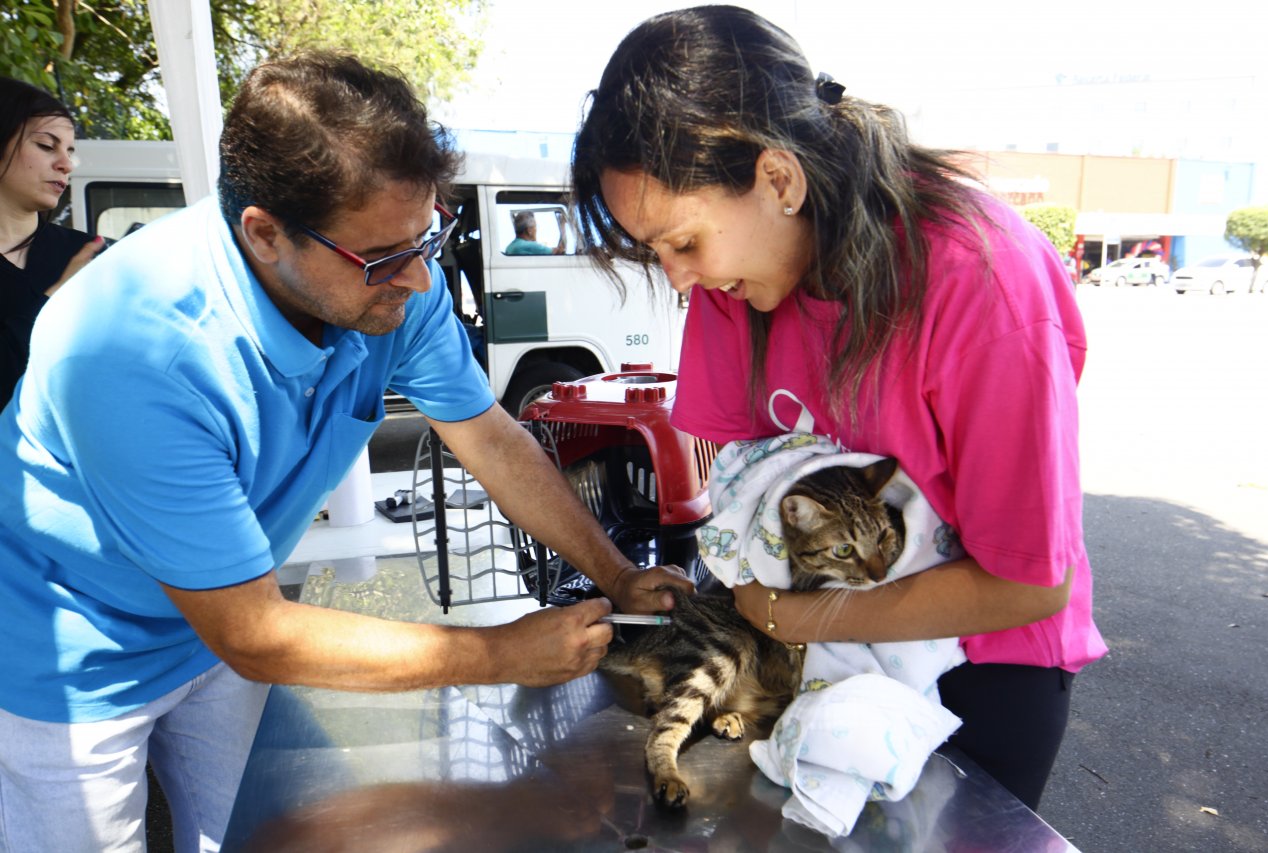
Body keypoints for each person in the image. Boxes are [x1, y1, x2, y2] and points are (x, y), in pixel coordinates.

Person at [0, 53, 690, 852]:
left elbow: (492, 438)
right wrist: (499, 652)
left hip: (214, 626)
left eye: (430, 235)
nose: (423, 279)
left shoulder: (391, 281)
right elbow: (254, 632)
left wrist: (617, 572)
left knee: (273, 834)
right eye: (386, 257)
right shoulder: (128, 349)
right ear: (264, 234)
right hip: (74, 654)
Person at [570, 5, 1106, 811]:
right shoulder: (732, 285)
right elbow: (738, 496)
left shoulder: (980, 279)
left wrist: (791, 614)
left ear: (778, 180)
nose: (678, 280)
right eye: (655, 253)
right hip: (807, 642)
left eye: (684, 243)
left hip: (982, 659)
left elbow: (1028, 582)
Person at [0, 77, 105, 410]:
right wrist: (56, 300)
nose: (65, 163)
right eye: (47, 145)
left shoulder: (93, 255)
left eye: (70, 151)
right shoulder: (78, 270)